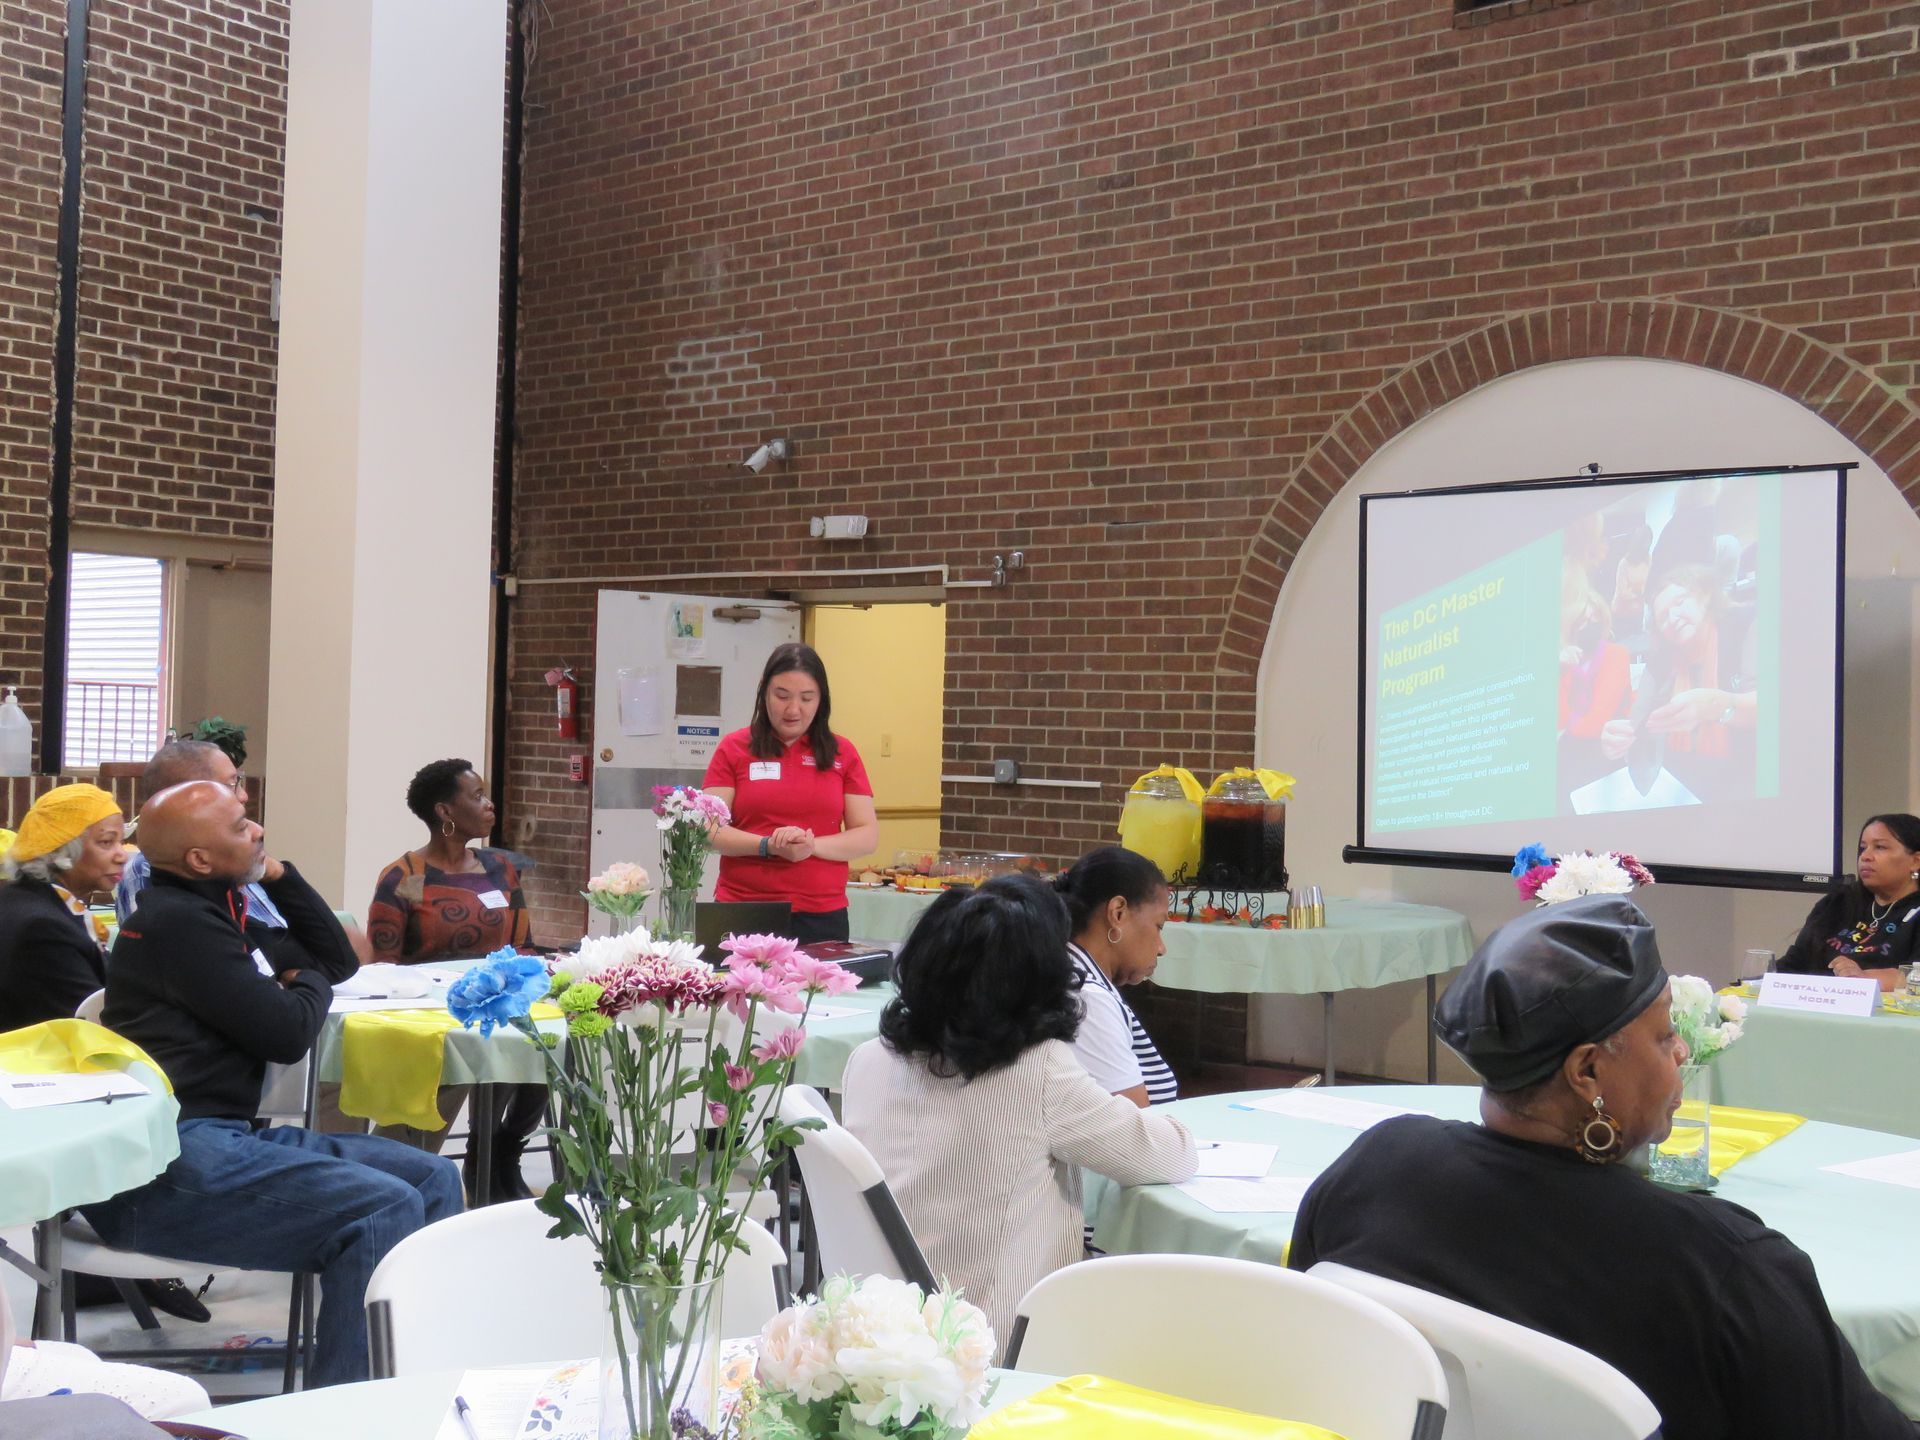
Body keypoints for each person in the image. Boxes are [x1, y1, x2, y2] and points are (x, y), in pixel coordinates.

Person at [1287, 895, 1913, 1440]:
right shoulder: (1722, 1267)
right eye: (1666, 1034)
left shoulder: (1377, 1168)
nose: (1681, 1054)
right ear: (1587, 1071)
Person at [85, 780, 463, 1389]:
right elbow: (287, 1033)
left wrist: (278, 878)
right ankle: (345, 1419)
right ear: (200, 859)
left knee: (434, 1179)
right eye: (239, 825)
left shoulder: (219, 905)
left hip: (224, 1136)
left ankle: (412, 1382)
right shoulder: (179, 924)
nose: (257, 829)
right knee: (383, 1208)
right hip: (165, 1160)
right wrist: (304, 982)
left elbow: (337, 962)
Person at [841, 875, 1197, 1356]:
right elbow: (1167, 1156)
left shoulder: (867, 1059)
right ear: (1043, 978)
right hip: (989, 1342)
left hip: (869, 1326)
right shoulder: (1038, 1071)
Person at [366, 758, 541, 1200]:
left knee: (550, 1044)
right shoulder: (406, 878)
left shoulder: (501, 867)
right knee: (484, 1045)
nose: (489, 803)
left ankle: (500, 1150)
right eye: (477, 795)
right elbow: (385, 969)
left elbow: (524, 945)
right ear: (445, 812)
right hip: (434, 1015)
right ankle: (433, 1172)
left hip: (504, 1005)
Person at [702, 643, 878, 945]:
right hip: (744, 908)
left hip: (822, 913)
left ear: (821, 700)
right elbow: (708, 830)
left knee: (816, 992)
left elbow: (866, 835)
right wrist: (767, 845)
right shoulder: (734, 748)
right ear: (763, 693)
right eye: (781, 696)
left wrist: (809, 846)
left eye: (806, 698)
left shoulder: (842, 753)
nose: (793, 709)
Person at [1052, 846, 1177, 1107]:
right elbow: (1134, 1128)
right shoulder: (1086, 998)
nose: (1161, 948)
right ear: (1118, 912)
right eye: (1158, 926)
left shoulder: (1071, 971)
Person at [0, 784, 126, 1030]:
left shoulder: (24, 898)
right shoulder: (41, 928)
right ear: (62, 849)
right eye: (106, 842)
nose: (122, 855)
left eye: (122, 841)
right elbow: (90, 1026)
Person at [1777, 814, 1920, 991]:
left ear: (1915, 861)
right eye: (1862, 848)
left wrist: (1864, 979)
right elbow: (1794, 964)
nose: (1866, 856)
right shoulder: (1837, 903)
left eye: (1880, 847)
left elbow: (1916, 978)